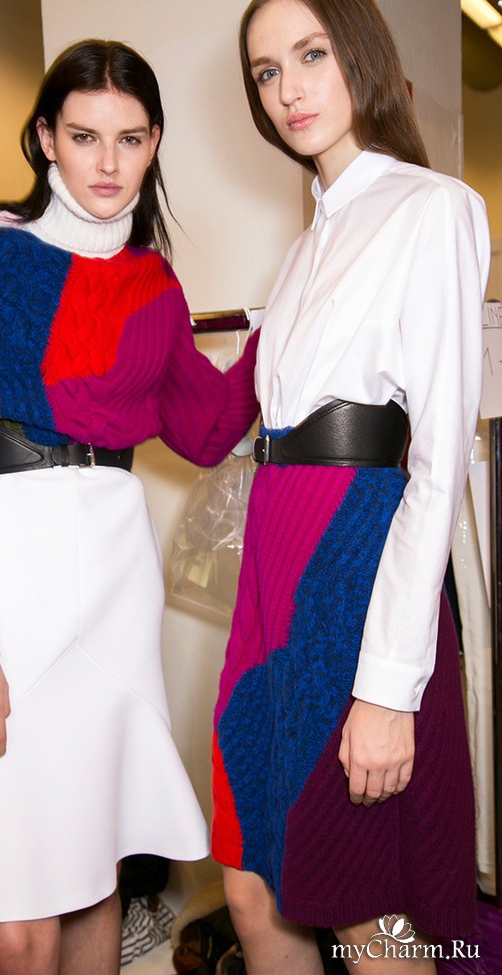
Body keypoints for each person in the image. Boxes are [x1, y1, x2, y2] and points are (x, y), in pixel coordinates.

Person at [0, 39, 259, 975]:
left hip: (116, 570)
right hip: (12, 566)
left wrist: (283, 329)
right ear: (45, 139)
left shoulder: (154, 283)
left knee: (95, 865)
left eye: (130, 138)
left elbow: (206, 429)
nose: (108, 162)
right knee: (18, 908)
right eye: (84, 135)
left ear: (154, 145)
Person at [211, 1, 490, 973]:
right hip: (270, 580)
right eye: (265, 72)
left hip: (355, 576)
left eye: (310, 55)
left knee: (363, 909)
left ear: (358, 55)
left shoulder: (431, 208)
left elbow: (436, 465)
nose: (287, 89)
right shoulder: (301, 250)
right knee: (252, 889)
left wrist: (387, 688)